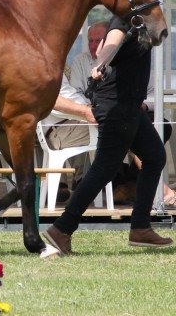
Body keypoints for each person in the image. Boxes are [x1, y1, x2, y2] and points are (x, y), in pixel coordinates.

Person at [44, 14, 174, 255]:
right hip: (116, 105)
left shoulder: (142, 18)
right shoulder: (125, 19)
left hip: (129, 104)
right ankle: (61, 229)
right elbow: (109, 44)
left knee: (154, 156)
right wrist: (99, 63)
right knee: (104, 168)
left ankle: (140, 227)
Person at [70, 20, 176, 205]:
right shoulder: (81, 61)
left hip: (131, 111)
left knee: (162, 128)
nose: (94, 45)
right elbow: (75, 94)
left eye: (98, 40)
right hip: (101, 115)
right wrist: (94, 107)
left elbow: (152, 92)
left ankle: (134, 185)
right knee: (110, 161)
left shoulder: (132, 55)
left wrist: (143, 105)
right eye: (91, 41)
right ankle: (66, 222)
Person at [39, 73, 97, 203]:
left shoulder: (51, 66)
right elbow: (53, 100)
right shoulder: (44, 69)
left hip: (67, 125)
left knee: (126, 125)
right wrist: (88, 110)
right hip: (61, 129)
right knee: (123, 127)